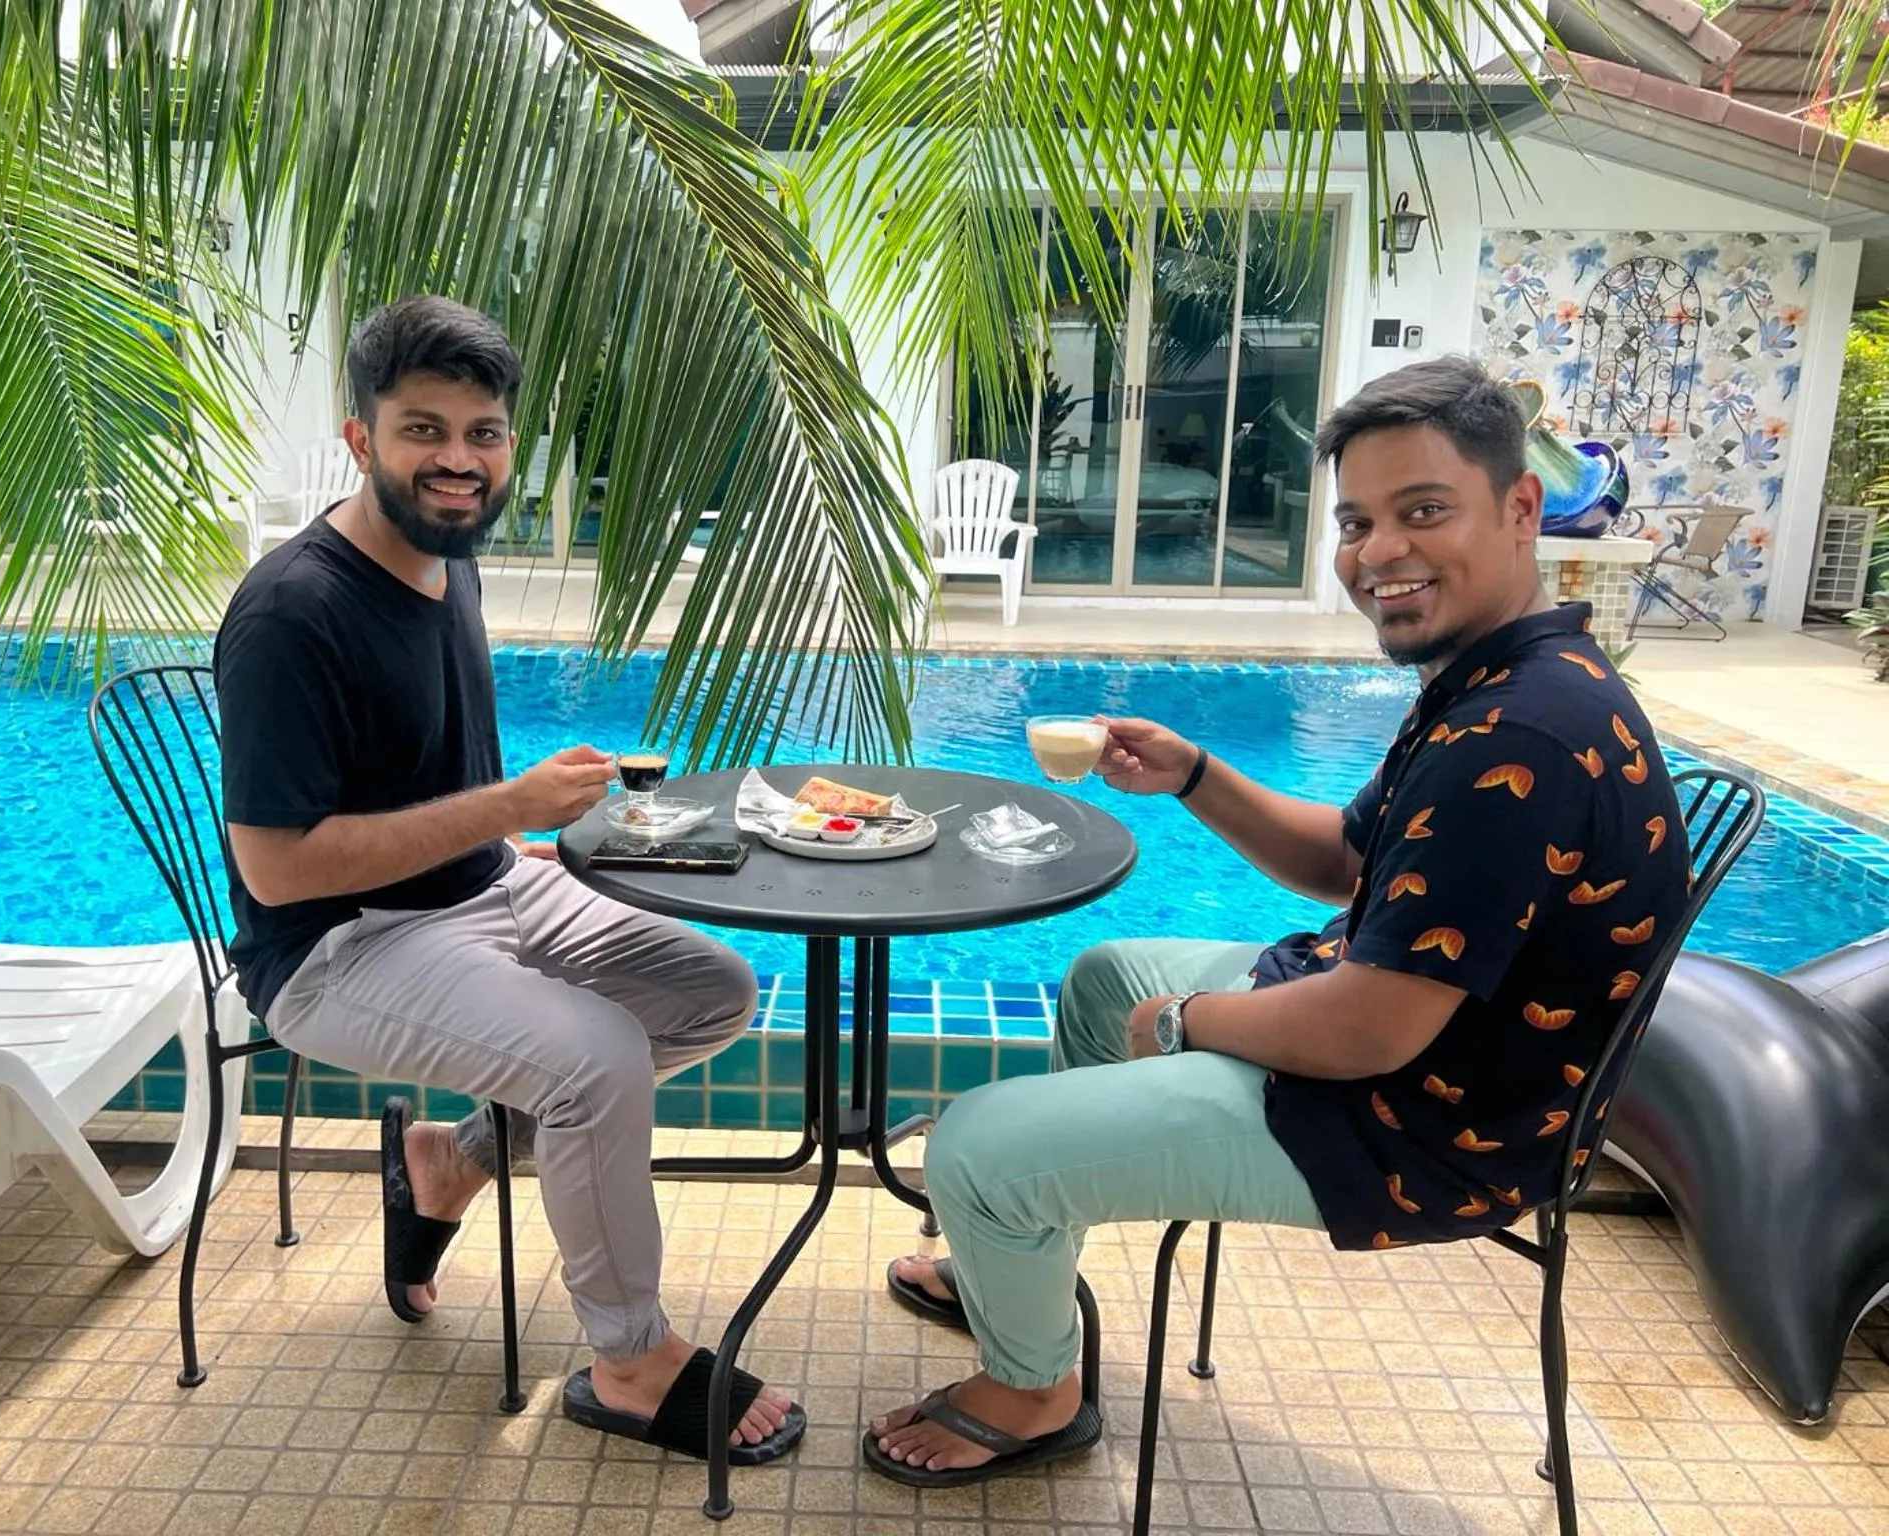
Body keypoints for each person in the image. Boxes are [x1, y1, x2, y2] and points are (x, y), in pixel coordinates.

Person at [865, 355, 1690, 1486]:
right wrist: (1195, 773)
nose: (1377, 553)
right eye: (1355, 522)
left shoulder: (1523, 737)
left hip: (1423, 1125)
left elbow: (1365, 1034)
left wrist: (1195, 1023)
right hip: (1411, 1046)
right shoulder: (1497, 681)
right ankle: (1021, 1277)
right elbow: (1349, 864)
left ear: (1518, 509)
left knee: (975, 1144)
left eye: (1421, 512)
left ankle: (1034, 1389)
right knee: (1106, 975)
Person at [213, 294, 804, 1465]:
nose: (456, 461)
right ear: (358, 439)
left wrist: (526, 846)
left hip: (483, 886)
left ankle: (454, 1159)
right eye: (422, 430)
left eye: (481, 434)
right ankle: (630, 1360)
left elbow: (420, 779)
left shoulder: (446, 559)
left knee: (713, 992)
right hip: (339, 946)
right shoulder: (293, 614)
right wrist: (506, 807)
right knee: (592, 1061)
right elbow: (275, 870)